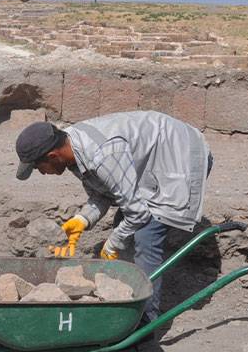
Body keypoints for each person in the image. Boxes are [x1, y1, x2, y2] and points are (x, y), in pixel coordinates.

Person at [14, 111, 212, 322]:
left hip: (182, 155)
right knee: (123, 225)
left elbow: (137, 212)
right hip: (155, 154)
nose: (42, 173)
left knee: (146, 236)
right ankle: (126, 295)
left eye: (38, 167)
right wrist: (83, 218)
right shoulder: (71, 150)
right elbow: (104, 192)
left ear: (53, 156)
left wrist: (113, 244)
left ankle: (145, 319)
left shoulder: (102, 155)